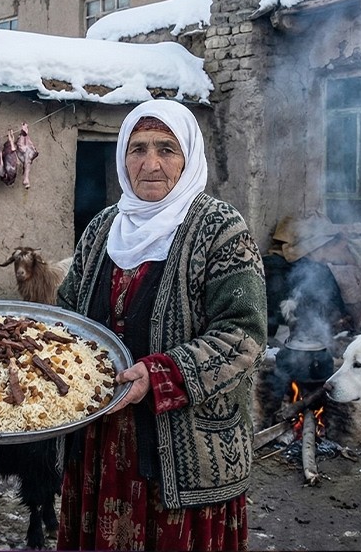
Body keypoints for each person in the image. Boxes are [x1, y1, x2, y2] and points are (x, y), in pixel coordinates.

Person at [55, 98, 268, 551]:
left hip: (186, 453)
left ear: (188, 158)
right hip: (100, 443)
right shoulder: (103, 229)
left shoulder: (220, 230)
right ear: (122, 157)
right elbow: (67, 313)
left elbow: (244, 337)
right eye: (138, 149)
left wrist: (160, 374)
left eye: (167, 149)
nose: (151, 164)